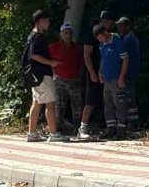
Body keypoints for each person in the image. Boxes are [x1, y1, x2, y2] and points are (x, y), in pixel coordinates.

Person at [25, 10, 68, 143]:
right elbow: (33, 55)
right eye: (47, 20)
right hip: (42, 75)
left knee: (37, 103)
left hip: (35, 75)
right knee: (50, 104)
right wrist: (51, 63)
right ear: (40, 21)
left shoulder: (31, 36)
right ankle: (54, 133)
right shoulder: (38, 37)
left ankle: (32, 133)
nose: (49, 23)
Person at [93, 24, 130, 140]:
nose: (101, 40)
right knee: (108, 104)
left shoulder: (117, 40)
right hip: (107, 78)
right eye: (98, 39)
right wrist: (100, 71)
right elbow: (103, 58)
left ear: (106, 32)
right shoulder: (102, 43)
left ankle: (121, 130)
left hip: (116, 77)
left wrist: (121, 77)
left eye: (101, 37)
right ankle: (111, 129)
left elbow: (125, 59)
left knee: (119, 103)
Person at [48, 23, 84, 133]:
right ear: (61, 34)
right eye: (65, 33)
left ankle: (78, 128)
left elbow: (82, 63)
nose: (68, 35)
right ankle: (58, 128)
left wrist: (79, 74)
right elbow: (47, 61)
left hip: (75, 79)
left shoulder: (78, 48)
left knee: (77, 106)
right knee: (59, 106)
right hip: (59, 80)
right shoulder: (53, 47)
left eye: (70, 33)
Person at [78, 18, 104, 139]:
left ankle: (104, 126)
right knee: (90, 101)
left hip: (104, 72)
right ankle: (82, 127)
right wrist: (92, 72)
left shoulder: (109, 36)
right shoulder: (91, 36)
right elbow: (86, 54)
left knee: (104, 100)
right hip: (92, 72)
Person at [116, 16, 140, 130]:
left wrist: (123, 74)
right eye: (118, 26)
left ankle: (132, 123)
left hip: (129, 72)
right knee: (128, 96)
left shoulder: (129, 39)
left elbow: (126, 58)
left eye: (121, 25)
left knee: (129, 97)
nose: (119, 28)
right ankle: (131, 122)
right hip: (129, 72)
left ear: (127, 26)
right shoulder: (127, 38)